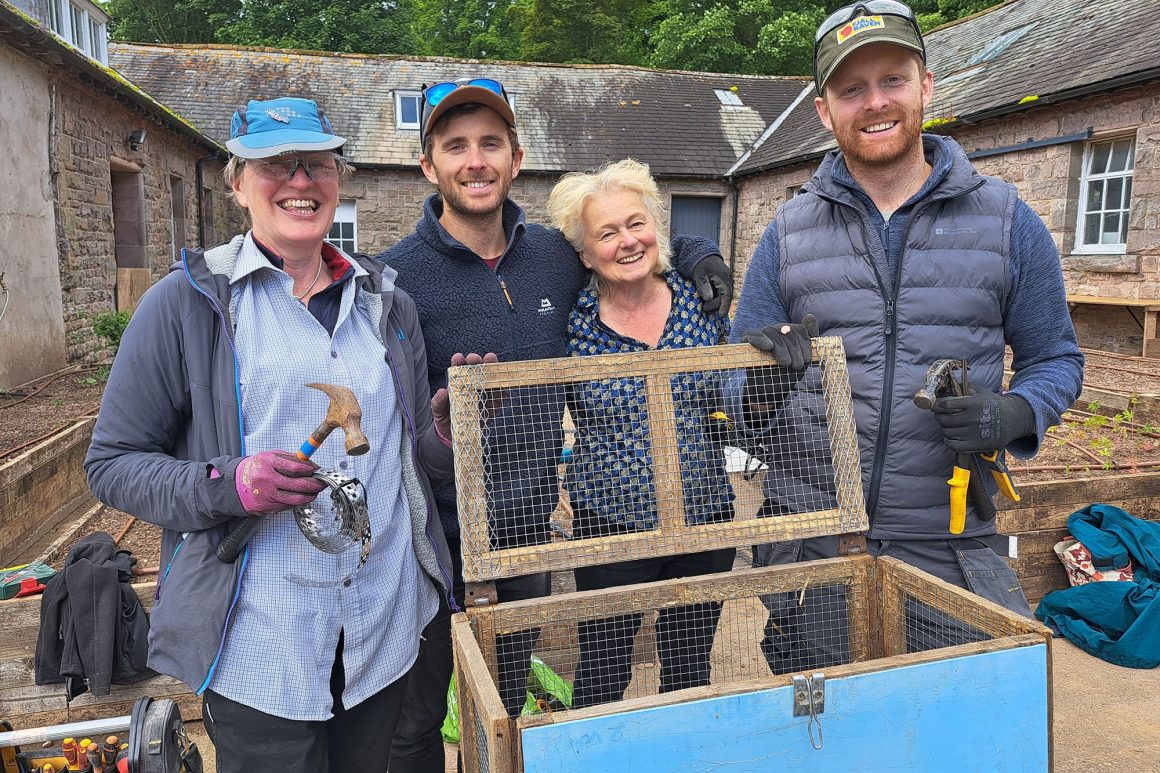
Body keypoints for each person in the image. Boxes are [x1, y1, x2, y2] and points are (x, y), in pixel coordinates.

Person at [84, 97, 456, 772]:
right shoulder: (188, 304)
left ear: (338, 179)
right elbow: (110, 463)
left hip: (381, 630)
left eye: (316, 163)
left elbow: (402, 461)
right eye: (274, 165)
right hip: (262, 644)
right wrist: (228, 482)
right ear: (236, 183)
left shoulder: (386, 303)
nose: (300, 181)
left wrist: (441, 437)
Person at [379, 78, 734, 771]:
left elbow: (626, 246)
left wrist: (697, 253)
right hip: (424, 537)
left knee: (503, 709)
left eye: (490, 143)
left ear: (516, 158)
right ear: (429, 165)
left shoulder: (552, 257)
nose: (475, 160)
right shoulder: (393, 276)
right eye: (456, 146)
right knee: (414, 718)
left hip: (522, 536)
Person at [728, 0, 1084, 673]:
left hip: (947, 545)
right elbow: (732, 380)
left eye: (893, 79)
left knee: (946, 728)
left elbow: (1056, 359)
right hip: (816, 543)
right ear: (825, 111)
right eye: (851, 89)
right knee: (827, 731)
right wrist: (759, 386)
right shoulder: (787, 232)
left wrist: (1016, 411)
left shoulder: (1007, 220)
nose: (875, 102)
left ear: (926, 85)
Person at [546, 158, 736, 708]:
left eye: (637, 223)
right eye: (607, 233)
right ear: (585, 254)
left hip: (704, 512)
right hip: (611, 521)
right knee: (604, 669)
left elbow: (739, 387)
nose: (628, 241)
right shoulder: (572, 322)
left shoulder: (704, 299)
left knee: (689, 664)